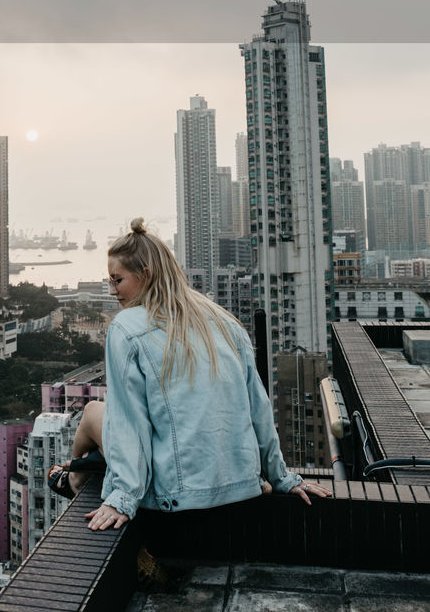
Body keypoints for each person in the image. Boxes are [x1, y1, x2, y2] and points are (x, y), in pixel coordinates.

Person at [48, 218, 330, 531]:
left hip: (176, 494)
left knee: (91, 412)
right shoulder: (223, 320)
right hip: (242, 484)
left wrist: (123, 498)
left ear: (147, 275)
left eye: (118, 280)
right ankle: (83, 469)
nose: (112, 291)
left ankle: (73, 480)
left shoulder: (126, 328)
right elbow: (259, 410)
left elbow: (130, 424)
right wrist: (282, 478)